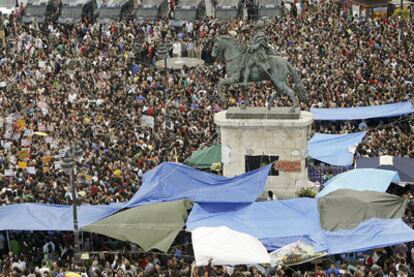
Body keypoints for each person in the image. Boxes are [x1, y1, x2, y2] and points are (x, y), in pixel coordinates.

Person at [241, 21, 274, 86]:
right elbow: (253, 43)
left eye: (258, 28)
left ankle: (245, 81)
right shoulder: (256, 34)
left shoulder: (261, 35)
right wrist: (250, 46)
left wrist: (253, 47)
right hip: (254, 51)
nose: (257, 30)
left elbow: (259, 44)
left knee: (248, 65)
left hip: (259, 52)